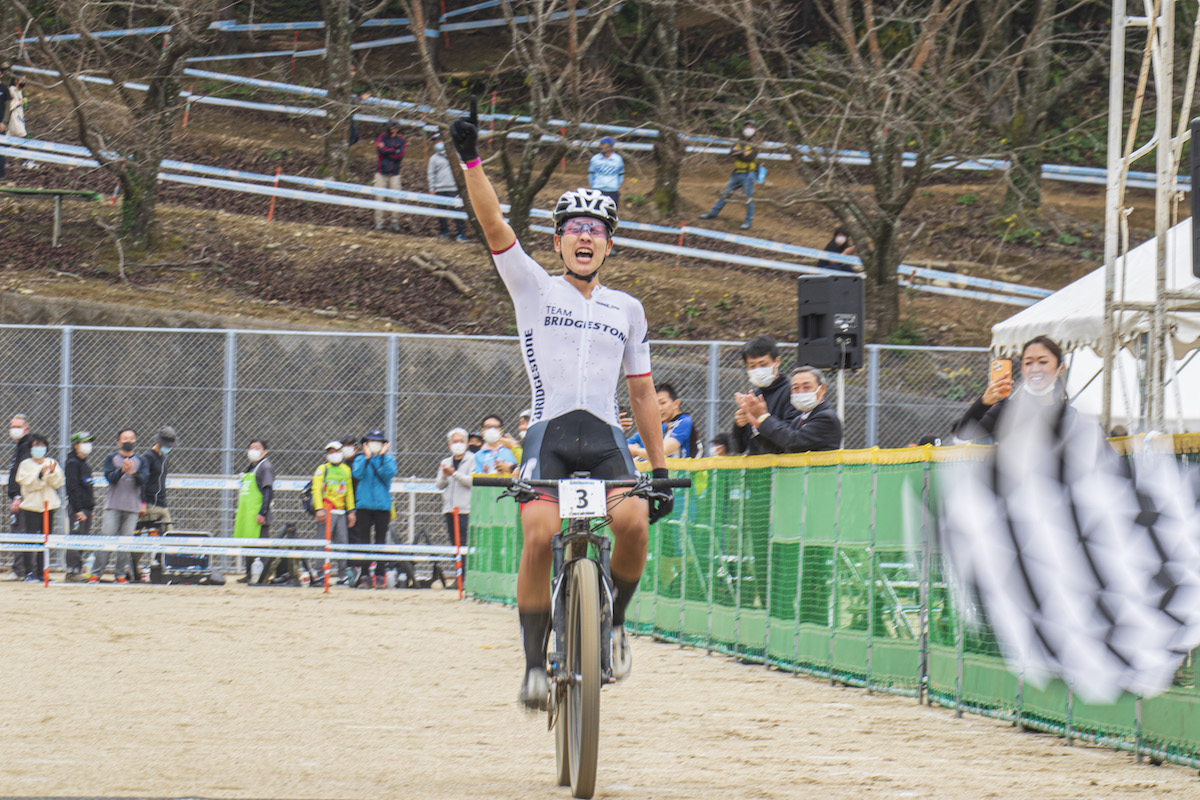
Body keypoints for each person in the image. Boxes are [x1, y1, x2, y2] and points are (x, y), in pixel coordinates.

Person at [450, 104, 672, 709]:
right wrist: (470, 159)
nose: (583, 236)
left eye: (595, 230)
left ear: (608, 246)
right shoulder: (533, 286)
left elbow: (643, 393)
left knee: (631, 524)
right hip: (548, 435)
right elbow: (495, 224)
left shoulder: (627, 308)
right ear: (557, 241)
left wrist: (658, 469)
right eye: (573, 228)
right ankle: (531, 667)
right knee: (540, 536)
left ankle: (617, 623)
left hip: (604, 439)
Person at [953, 335, 1069, 442]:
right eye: (1028, 363)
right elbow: (963, 433)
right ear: (1022, 368)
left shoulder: (1069, 416)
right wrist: (983, 403)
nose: (1035, 369)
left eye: (1043, 362)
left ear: (1060, 368)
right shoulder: (1007, 410)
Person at [91, 429, 149, 583]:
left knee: (125, 542)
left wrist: (133, 472)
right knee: (107, 539)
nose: (128, 440)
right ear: (118, 442)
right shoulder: (111, 458)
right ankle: (96, 573)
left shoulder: (141, 460)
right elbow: (110, 477)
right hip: (113, 505)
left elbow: (143, 480)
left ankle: (120, 574)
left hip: (132, 508)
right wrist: (122, 470)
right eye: (125, 438)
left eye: (131, 437)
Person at [739, 366, 843, 452]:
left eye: (807, 387)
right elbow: (779, 449)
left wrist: (764, 418)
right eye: (795, 388)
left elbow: (793, 442)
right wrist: (757, 424)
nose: (801, 392)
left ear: (822, 389)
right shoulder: (798, 420)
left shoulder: (826, 418)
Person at [729, 335, 798, 455]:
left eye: (763, 364)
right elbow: (738, 448)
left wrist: (761, 419)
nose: (758, 370)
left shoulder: (793, 392)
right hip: (757, 470)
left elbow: (790, 439)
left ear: (777, 362)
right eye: (752, 366)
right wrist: (739, 425)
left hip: (784, 467)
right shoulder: (753, 396)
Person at [351, 429, 397, 588]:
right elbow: (358, 474)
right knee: (364, 540)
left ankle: (379, 574)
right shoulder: (360, 459)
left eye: (377, 441)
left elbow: (388, 474)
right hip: (364, 505)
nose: (374, 444)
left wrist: (380, 458)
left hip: (382, 506)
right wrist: (368, 458)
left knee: (380, 540)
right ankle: (364, 575)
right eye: (371, 441)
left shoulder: (389, 459)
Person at [14, 433, 62, 581]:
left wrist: (52, 473)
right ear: (30, 448)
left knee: (45, 539)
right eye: (36, 446)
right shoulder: (25, 464)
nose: (39, 448)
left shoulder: (52, 462)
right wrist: (40, 474)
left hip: (49, 506)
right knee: (31, 539)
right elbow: (27, 483)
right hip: (31, 506)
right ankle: (29, 572)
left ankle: (43, 572)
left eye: (42, 445)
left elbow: (58, 483)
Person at [699, 123, 760, 230]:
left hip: (748, 174)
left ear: (754, 129)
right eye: (746, 127)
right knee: (725, 193)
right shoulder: (738, 141)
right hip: (736, 173)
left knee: (748, 198)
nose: (748, 129)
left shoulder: (755, 143)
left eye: (751, 127)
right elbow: (731, 153)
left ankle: (748, 221)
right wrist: (743, 153)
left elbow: (750, 157)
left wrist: (739, 153)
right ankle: (713, 213)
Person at [313, 441, 356, 583]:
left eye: (336, 451)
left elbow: (348, 492)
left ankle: (342, 575)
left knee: (342, 543)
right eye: (330, 452)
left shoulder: (346, 470)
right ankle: (320, 573)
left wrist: (351, 511)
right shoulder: (323, 469)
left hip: (341, 511)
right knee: (323, 542)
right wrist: (319, 508)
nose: (333, 455)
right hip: (327, 510)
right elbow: (316, 489)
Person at [435, 428, 476, 580]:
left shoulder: (473, 460)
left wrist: (454, 474)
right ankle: (459, 577)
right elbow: (439, 485)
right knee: (455, 544)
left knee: (465, 544)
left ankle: (467, 577)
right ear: (449, 445)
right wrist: (446, 476)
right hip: (449, 509)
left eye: (461, 441)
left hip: (466, 509)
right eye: (454, 441)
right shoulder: (445, 462)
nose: (458, 444)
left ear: (466, 444)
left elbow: (472, 481)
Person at [234, 439, 274, 583]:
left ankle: (264, 575)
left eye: (257, 448)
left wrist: (262, 512)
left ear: (264, 451)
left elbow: (268, 491)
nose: (253, 450)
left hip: (258, 515)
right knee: (248, 544)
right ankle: (249, 574)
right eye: (251, 447)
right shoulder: (251, 467)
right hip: (248, 515)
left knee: (261, 545)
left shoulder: (265, 467)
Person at [627, 382, 696, 459]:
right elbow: (624, 446)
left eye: (663, 403)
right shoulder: (662, 426)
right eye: (655, 405)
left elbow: (661, 453)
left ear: (676, 404)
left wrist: (636, 451)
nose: (659, 409)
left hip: (686, 470)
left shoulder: (684, 421)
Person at [63, 431, 96, 582]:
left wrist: (90, 509)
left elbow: (88, 489)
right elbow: (72, 488)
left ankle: (77, 569)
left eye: (89, 442)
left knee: (82, 539)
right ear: (75, 445)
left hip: (86, 509)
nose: (88, 445)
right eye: (84, 442)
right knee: (75, 538)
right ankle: (71, 572)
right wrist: (78, 510)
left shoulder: (84, 464)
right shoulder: (72, 463)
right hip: (78, 509)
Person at [427, 133, 468, 241]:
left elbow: (464, 167)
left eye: (438, 141)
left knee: (457, 212)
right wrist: (431, 188)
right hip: (440, 189)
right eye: (435, 142)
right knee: (441, 212)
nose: (437, 143)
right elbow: (431, 174)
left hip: (454, 189)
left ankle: (461, 234)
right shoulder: (433, 159)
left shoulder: (455, 155)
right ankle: (444, 232)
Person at [5, 413, 31, 578]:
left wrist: (18, 497)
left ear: (26, 429)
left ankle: (20, 570)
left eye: (18, 427)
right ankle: (21, 569)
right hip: (20, 497)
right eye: (12, 427)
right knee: (19, 531)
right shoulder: (20, 446)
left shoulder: (26, 446)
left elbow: (24, 475)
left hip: (23, 498)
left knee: (20, 532)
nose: (14, 430)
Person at [374, 119, 407, 232]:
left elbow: (400, 155)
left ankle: (394, 221)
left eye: (395, 127)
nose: (393, 129)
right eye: (391, 127)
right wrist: (394, 150)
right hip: (381, 172)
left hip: (395, 173)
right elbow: (379, 150)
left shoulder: (401, 140)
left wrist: (387, 151)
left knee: (396, 198)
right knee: (379, 198)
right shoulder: (382, 137)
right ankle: (379, 222)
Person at [141, 426, 175, 532]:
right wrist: (142, 503)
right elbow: (142, 482)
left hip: (162, 502)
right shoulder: (147, 457)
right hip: (150, 504)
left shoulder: (164, 458)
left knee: (168, 533)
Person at [588, 136, 625, 209]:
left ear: (610, 146)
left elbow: (620, 175)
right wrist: (594, 186)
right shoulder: (595, 159)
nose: (600, 146)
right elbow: (591, 174)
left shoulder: (618, 159)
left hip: (612, 191)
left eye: (603, 144)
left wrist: (615, 186)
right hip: (597, 190)